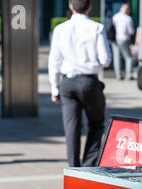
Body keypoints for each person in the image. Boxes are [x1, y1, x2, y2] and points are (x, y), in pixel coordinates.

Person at [48, 0, 111, 168]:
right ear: (89, 7)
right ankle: (88, 165)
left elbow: (54, 61)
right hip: (89, 81)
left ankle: (73, 167)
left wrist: (55, 89)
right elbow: (105, 59)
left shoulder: (60, 29)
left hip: (67, 83)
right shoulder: (97, 28)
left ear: (71, 7)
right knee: (96, 124)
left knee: (71, 129)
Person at [112, 3, 135, 80]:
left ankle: (118, 75)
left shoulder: (115, 17)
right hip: (124, 39)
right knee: (128, 57)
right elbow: (131, 31)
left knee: (117, 57)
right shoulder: (128, 19)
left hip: (115, 39)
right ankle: (129, 75)